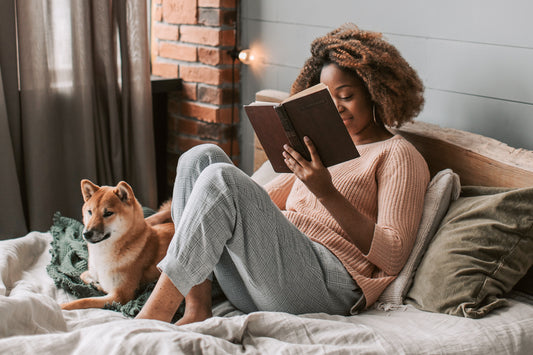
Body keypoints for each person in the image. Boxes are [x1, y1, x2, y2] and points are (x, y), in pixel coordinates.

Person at [135, 23, 430, 325]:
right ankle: (198, 307)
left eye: (346, 95)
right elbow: (251, 201)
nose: (338, 108)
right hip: (265, 280)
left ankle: (154, 315)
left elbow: (393, 256)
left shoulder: (398, 155)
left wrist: (325, 192)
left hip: (324, 287)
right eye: (328, 99)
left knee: (222, 178)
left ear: (375, 92)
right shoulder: (323, 144)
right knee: (201, 158)